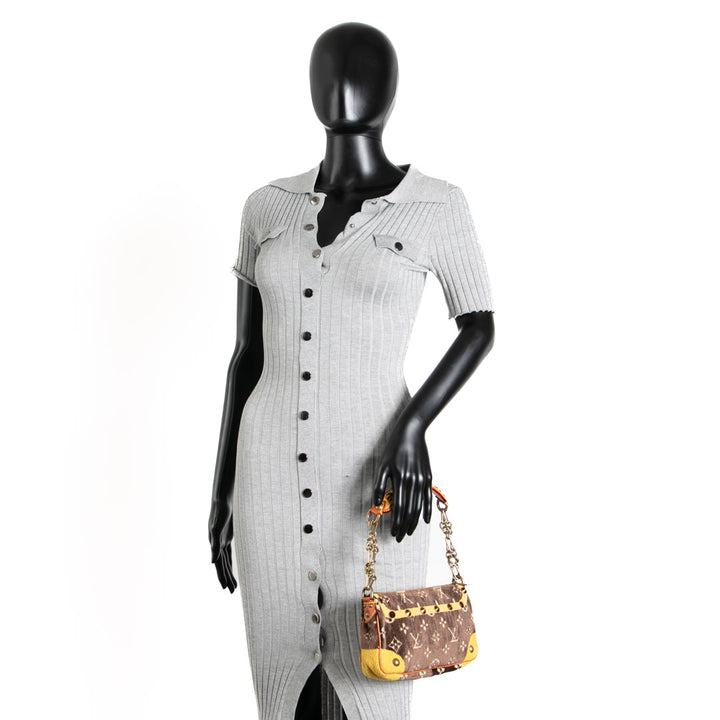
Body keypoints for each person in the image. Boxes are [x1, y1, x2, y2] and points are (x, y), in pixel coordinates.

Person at [208, 21, 495, 720]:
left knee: (375, 680)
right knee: (282, 693)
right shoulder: (266, 208)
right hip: (266, 486)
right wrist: (221, 492)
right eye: (328, 72)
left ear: (391, 91)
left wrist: (413, 425)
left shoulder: (437, 206)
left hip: (377, 481)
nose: (343, 87)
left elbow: (479, 324)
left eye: (362, 73)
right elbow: (246, 356)